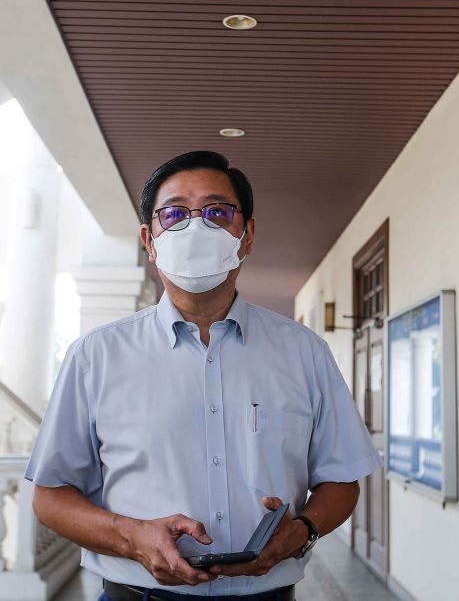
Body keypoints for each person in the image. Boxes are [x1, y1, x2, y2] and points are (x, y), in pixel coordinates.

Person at [26, 151, 381, 601]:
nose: (195, 228)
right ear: (149, 240)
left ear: (247, 235)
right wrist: (131, 536)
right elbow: (50, 496)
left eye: (217, 212)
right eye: (173, 214)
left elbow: (342, 479)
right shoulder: (96, 357)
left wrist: (304, 529)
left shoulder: (303, 353)